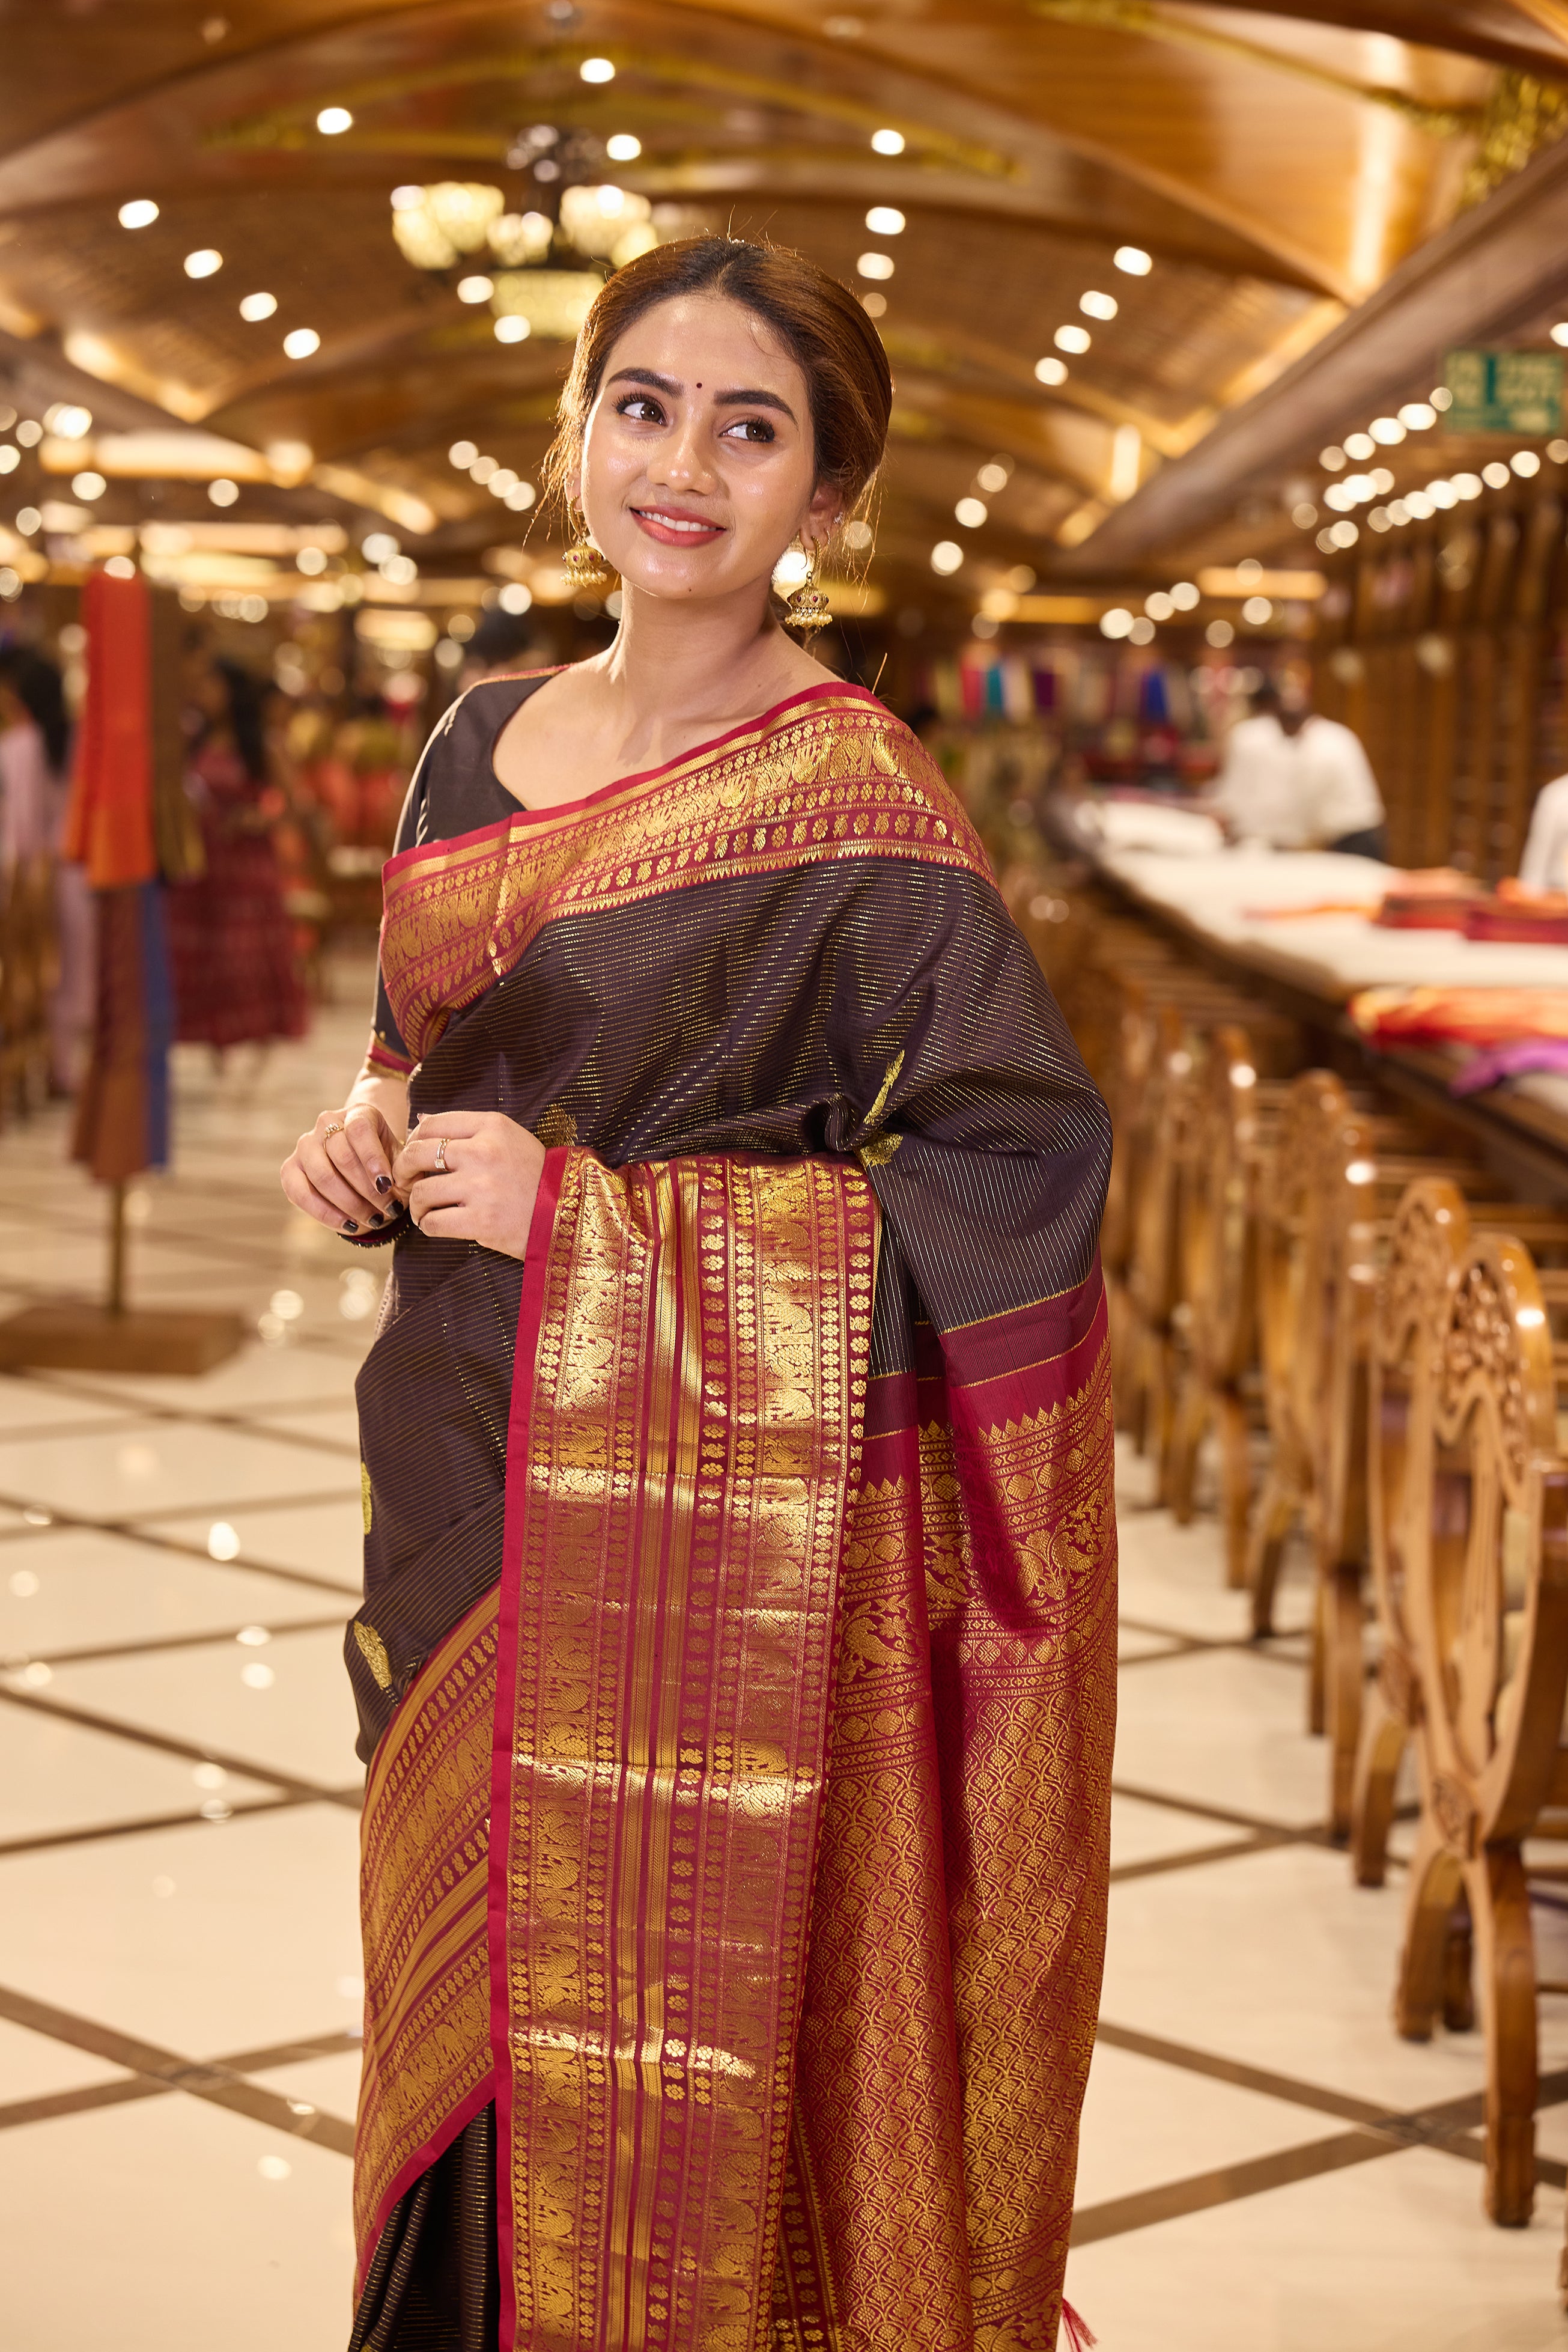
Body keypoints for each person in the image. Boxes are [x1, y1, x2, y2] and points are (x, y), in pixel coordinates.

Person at [281, 234, 1114, 2352]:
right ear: (577, 436)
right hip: (459, 1461)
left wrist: (603, 1229)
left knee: (641, 2032)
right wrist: (370, 1126)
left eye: (753, 427)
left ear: (825, 501)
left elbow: (1018, 1166)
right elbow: (439, 1043)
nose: (684, 461)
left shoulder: (859, 798)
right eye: (643, 404)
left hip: (683, 1521)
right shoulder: (472, 741)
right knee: (455, 2019)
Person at [166, 654, 306, 1053]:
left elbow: (292, 803)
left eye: (212, 686)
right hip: (203, 863)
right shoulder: (194, 740)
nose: (204, 694)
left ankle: (251, 1035)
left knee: (241, 955)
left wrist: (258, 819)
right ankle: (212, 1036)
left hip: (246, 866)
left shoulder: (259, 744)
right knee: (205, 954)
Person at [0, 644, 92, 1091]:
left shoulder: (20, 745)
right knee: (67, 973)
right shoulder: (76, 739)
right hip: (76, 870)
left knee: (32, 966)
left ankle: (44, 1061)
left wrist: (24, 877)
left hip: (33, 870)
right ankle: (60, 1064)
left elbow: (22, 824)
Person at [1211, 675, 1387, 857]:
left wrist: (1286, 837)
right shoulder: (1333, 734)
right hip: (1357, 830)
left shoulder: (1320, 746)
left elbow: (1306, 799)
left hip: (1352, 836)